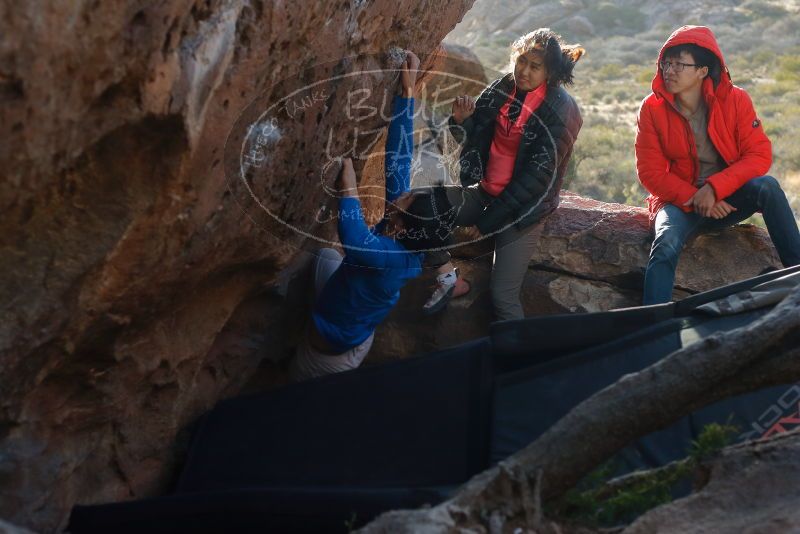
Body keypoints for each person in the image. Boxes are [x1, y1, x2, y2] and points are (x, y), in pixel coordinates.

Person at [290, 51, 449, 381]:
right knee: (326, 253)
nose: (401, 194)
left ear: (402, 224)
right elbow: (398, 162)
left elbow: (357, 240)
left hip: (329, 358)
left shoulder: (391, 258)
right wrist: (408, 95)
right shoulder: (404, 235)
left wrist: (349, 186)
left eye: (405, 200)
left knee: (294, 400)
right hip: (359, 322)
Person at [422, 29, 584, 320]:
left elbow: (537, 179)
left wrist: (488, 222)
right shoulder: (503, 87)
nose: (524, 71)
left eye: (535, 66)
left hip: (521, 212)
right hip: (484, 191)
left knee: (502, 297)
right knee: (422, 206)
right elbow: (475, 136)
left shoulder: (561, 108)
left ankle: (515, 362)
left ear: (550, 72)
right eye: (521, 61)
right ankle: (449, 281)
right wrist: (460, 121)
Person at [636, 25, 800, 305]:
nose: (669, 71)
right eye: (667, 63)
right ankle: (654, 322)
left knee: (768, 187)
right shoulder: (652, 108)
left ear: (702, 70)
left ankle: (797, 276)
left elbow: (758, 155)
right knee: (665, 243)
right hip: (680, 203)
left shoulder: (735, 100)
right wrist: (696, 197)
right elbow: (650, 173)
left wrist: (715, 188)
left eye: (680, 64)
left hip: (727, 199)